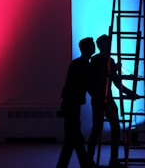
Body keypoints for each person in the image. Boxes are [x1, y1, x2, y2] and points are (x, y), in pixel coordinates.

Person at [87, 34, 139, 168]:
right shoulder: (95, 60)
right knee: (96, 130)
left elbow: (116, 82)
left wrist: (130, 93)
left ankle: (113, 160)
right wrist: (111, 71)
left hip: (108, 99)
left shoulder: (110, 60)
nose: (109, 45)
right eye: (107, 43)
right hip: (99, 99)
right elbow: (96, 78)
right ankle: (89, 161)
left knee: (115, 129)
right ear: (101, 45)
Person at [56, 37, 96, 168]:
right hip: (73, 104)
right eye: (92, 45)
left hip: (69, 103)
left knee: (74, 137)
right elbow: (90, 85)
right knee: (72, 138)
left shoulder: (75, 64)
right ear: (89, 49)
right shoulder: (86, 66)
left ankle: (85, 164)